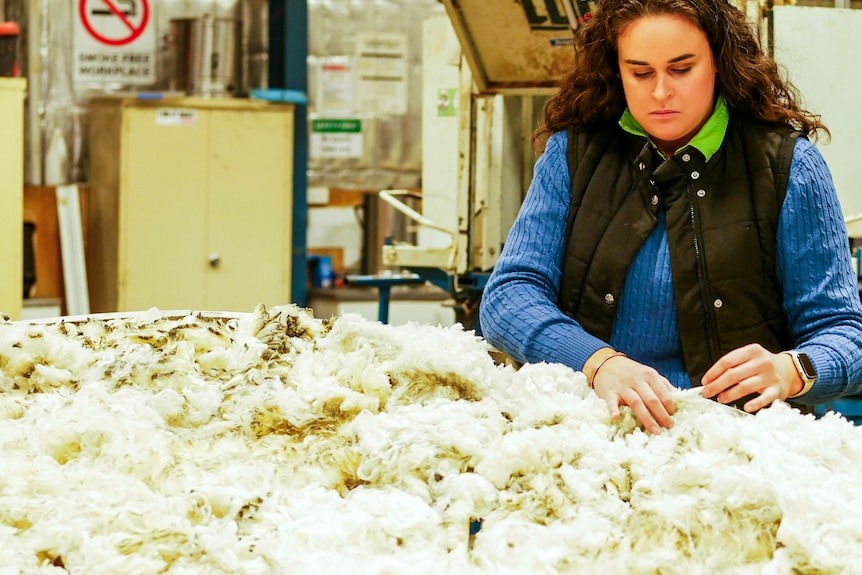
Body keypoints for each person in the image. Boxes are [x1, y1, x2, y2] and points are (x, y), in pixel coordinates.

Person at [478, 0, 862, 434]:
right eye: (640, 73)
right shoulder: (573, 155)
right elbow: (509, 295)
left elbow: (845, 331)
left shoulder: (787, 166)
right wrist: (598, 363)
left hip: (740, 449)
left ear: (721, 62)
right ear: (615, 70)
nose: (660, 92)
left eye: (681, 69)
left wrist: (792, 369)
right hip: (589, 438)